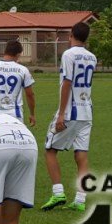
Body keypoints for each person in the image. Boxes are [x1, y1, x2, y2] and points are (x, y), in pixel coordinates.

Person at [42, 23, 98, 212]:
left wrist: (61, 114)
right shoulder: (92, 57)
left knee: (50, 149)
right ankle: (80, 200)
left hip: (71, 111)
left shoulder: (68, 54)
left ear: (71, 35)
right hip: (87, 111)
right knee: (81, 155)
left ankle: (58, 192)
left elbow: (67, 82)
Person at [0, 40, 36, 125]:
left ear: (5, 51)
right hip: (15, 114)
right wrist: (32, 114)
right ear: (18, 54)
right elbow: (30, 94)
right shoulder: (23, 70)